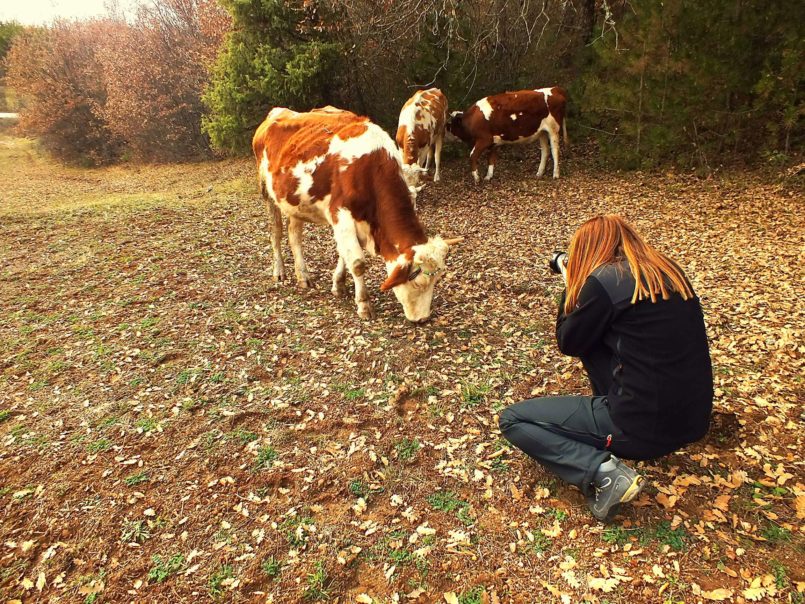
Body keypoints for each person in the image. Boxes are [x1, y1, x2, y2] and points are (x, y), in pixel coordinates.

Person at [499, 215, 713, 521]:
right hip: (692, 422)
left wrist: (571, 283)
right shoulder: (667, 271)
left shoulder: (604, 281)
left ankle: (603, 473)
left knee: (513, 419)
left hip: (641, 429)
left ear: (587, 250)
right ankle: (610, 422)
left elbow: (567, 340)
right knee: (598, 341)